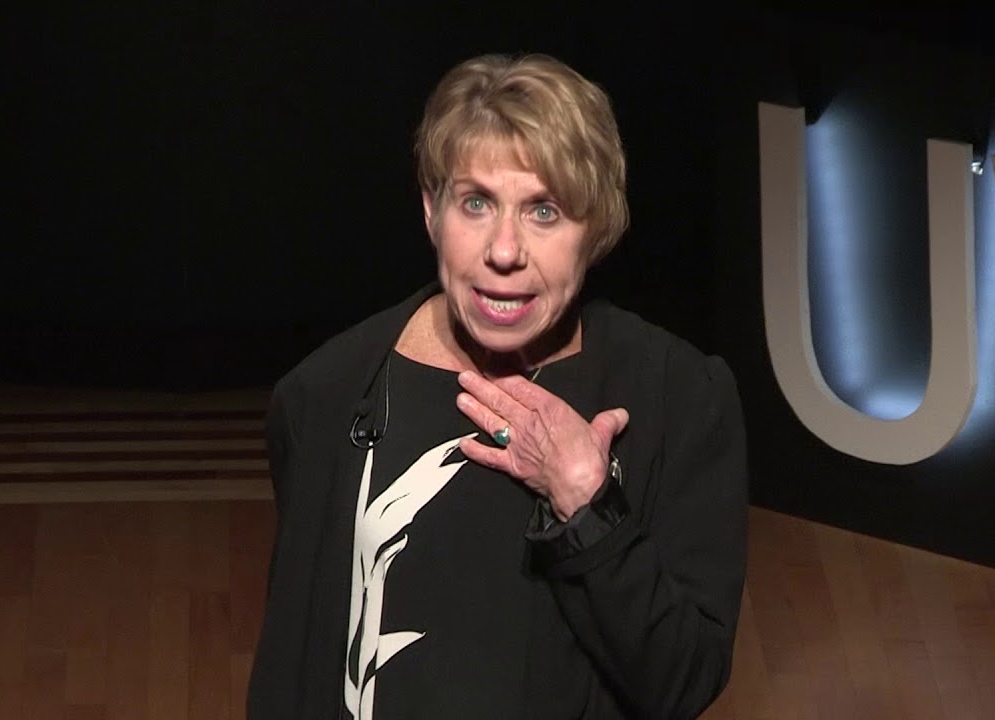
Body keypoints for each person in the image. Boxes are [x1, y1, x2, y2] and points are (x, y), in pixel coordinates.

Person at [247, 52, 749, 720]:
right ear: (432, 210)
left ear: (596, 228)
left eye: (544, 211)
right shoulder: (327, 393)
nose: (504, 251)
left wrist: (588, 508)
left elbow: (682, 681)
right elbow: (292, 669)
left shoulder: (679, 397)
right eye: (476, 203)